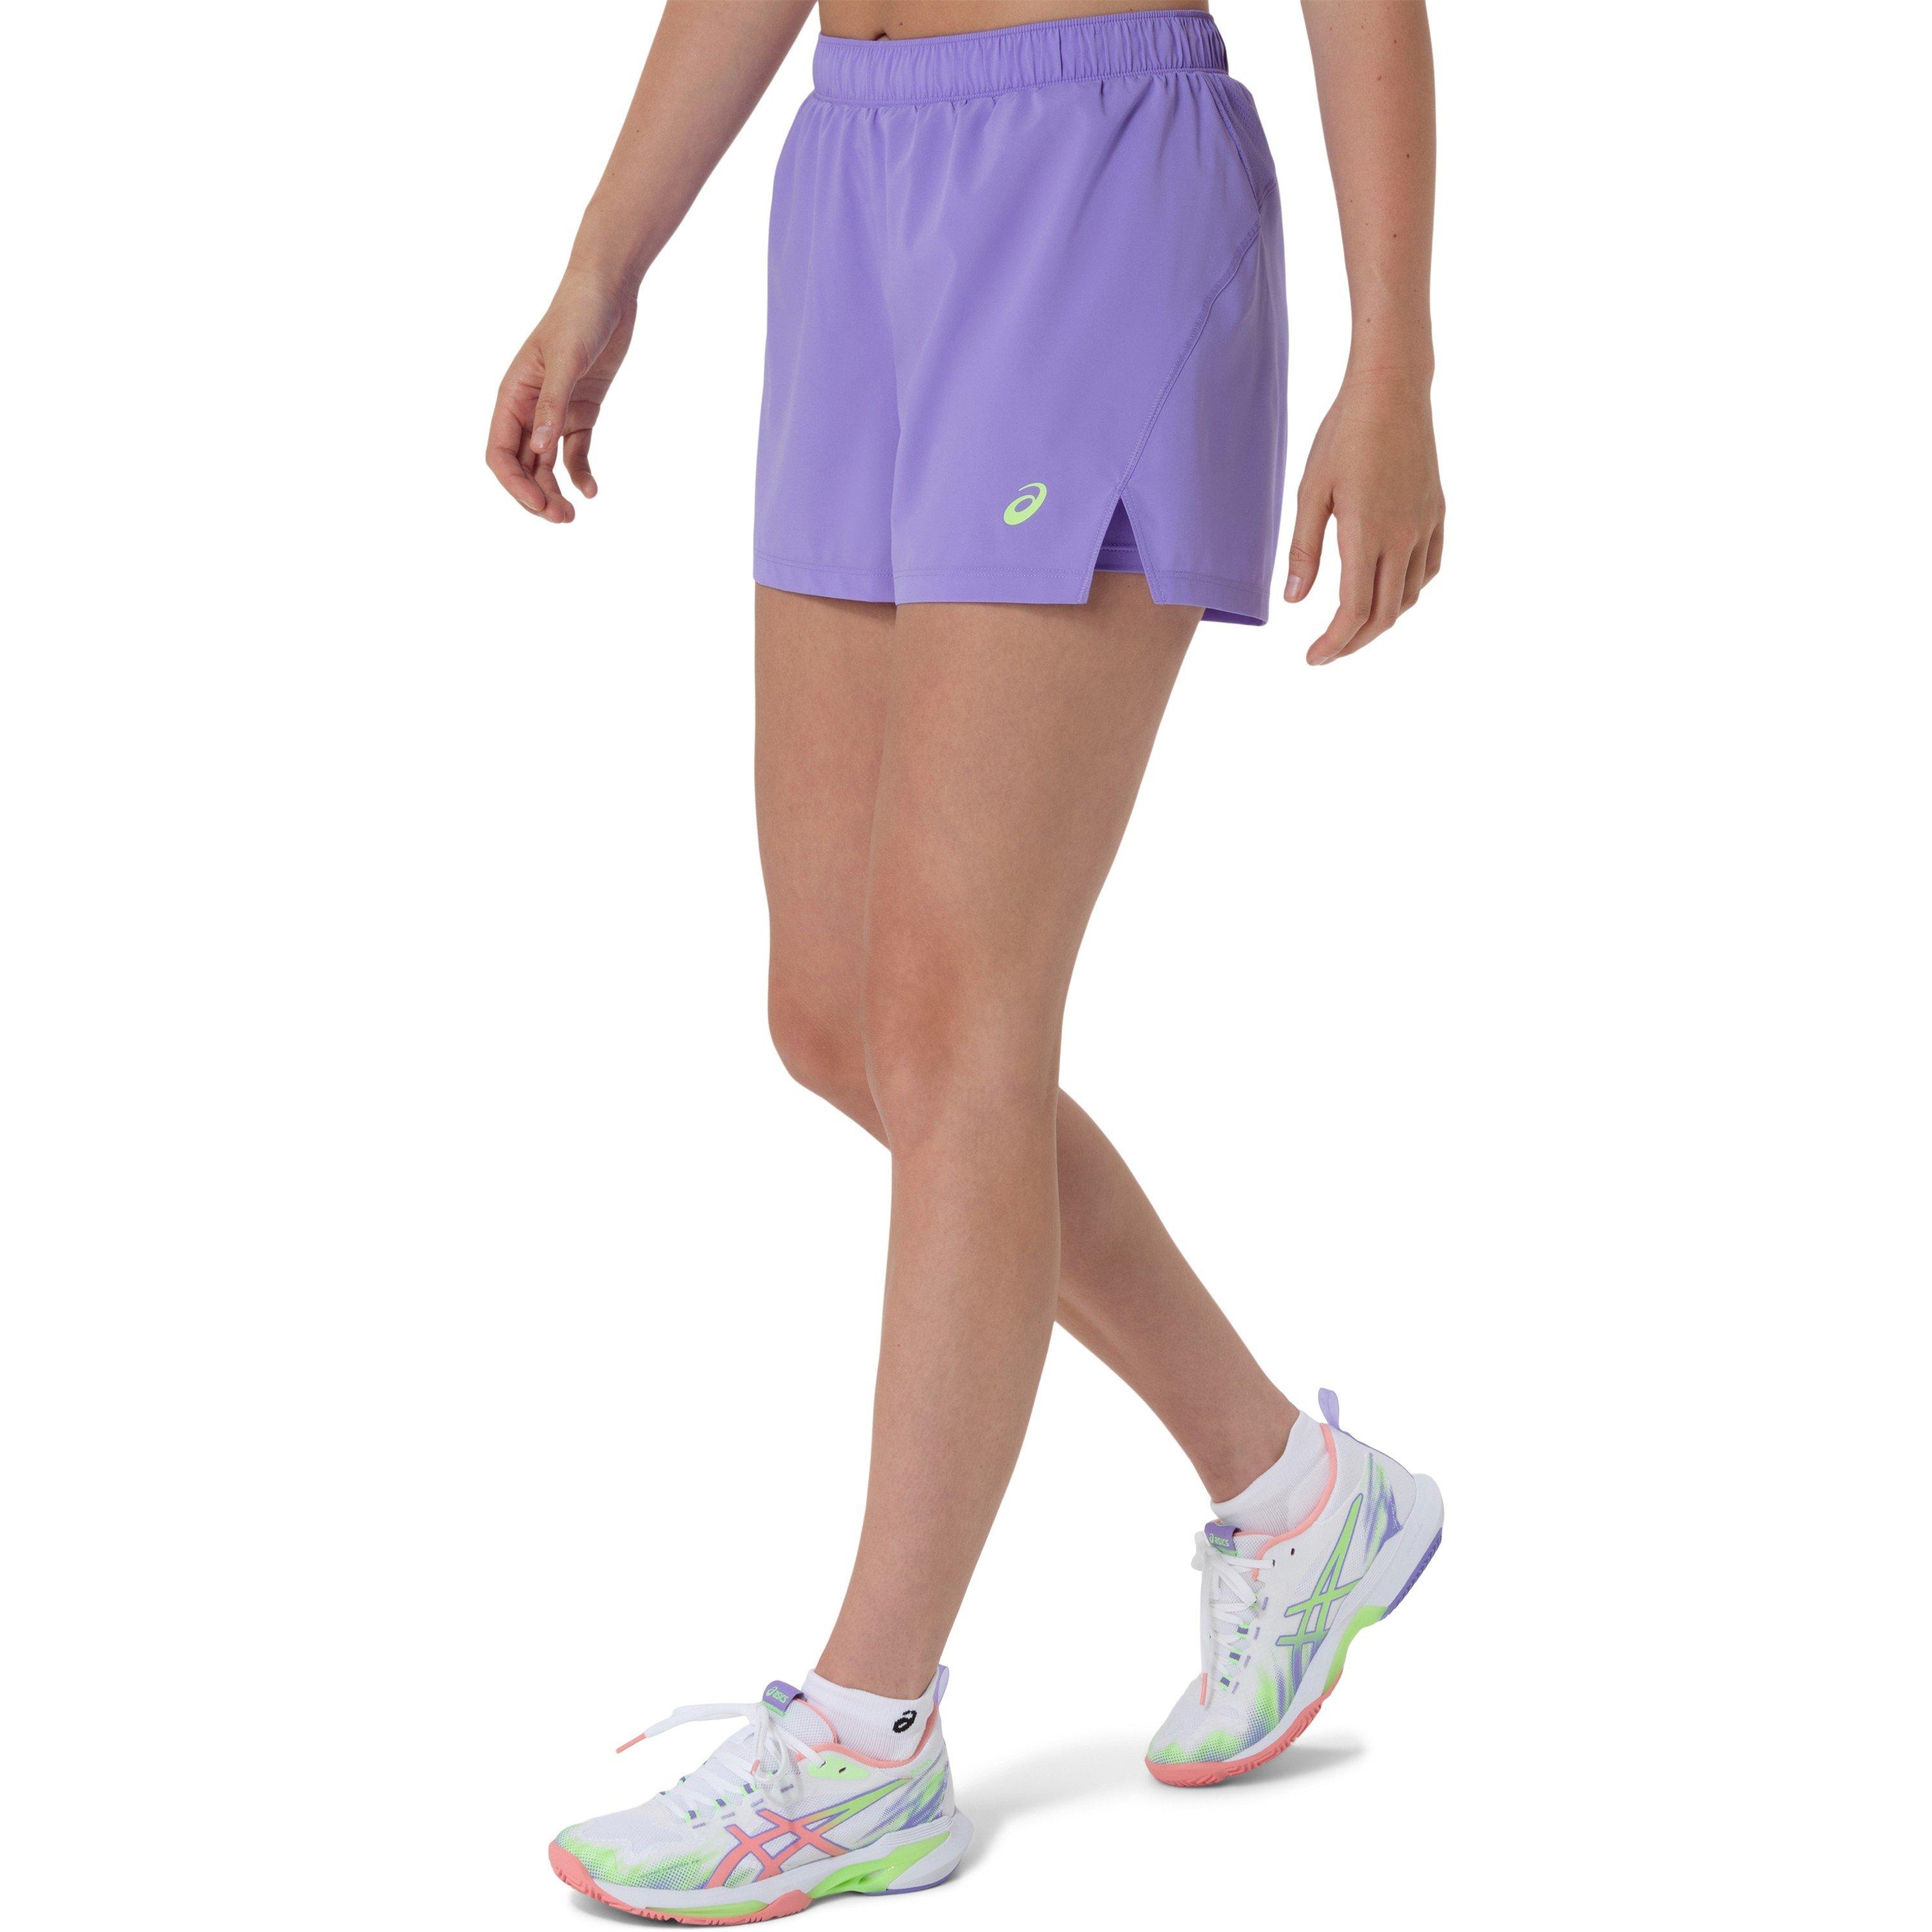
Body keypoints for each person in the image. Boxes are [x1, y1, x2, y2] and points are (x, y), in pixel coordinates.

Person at [488, 4, 1446, 1918]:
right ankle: (1297, 1499)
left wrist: (1393, 354)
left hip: (1096, 173)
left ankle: (868, 1735)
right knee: (838, 1017)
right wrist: (607, 254)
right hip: (855, 178)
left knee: (953, 1018)